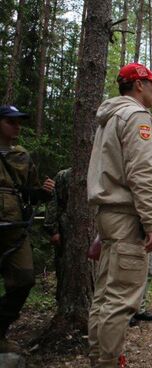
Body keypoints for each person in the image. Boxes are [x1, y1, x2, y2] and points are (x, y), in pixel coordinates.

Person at [86, 62, 152, 366]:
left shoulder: (108, 118)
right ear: (138, 86)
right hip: (128, 218)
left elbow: (108, 171)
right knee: (120, 299)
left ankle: (99, 357)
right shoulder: (136, 116)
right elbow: (142, 174)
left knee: (106, 294)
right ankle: (107, 362)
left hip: (110, 215)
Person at [0, 105, 55, 353]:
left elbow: (30, 194)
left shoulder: (21, 156)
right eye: (11, 121)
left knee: (23, 280)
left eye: (19, 121)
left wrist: (43, 191)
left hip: (15, 228)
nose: (17, 126)